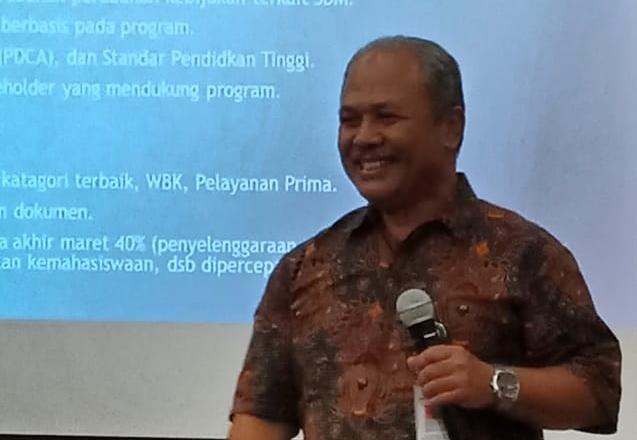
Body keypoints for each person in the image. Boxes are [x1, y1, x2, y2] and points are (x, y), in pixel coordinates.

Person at [228, 36, 621, 440]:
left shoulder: (521, 253)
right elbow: (261, 416)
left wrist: (492, 383)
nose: (363, 137)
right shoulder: (304, 268)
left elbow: (600, 390)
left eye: (386, 117)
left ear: (451, 127)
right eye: (349, 120)